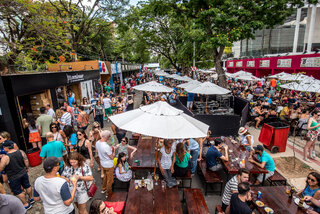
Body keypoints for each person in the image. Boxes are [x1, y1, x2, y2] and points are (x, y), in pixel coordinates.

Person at [0, 141, 33, 210]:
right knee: (27, 186)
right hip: (23, 173)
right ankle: (31, 198)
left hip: (13, 177)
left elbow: (1, 168)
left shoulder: (5, 158)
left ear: (6, 148)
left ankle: (26, 204)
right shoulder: (20, 152)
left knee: (18, 191)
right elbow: (26, 161)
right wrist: (26, 168)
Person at [96, 130, 115, 198]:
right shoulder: (106, 146)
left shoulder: (97, 142)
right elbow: (112, 157)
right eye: (109, 137)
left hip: (103, 163)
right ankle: (108, 193)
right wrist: (113, 151)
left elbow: (98, 151)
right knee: (110, 180)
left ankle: (103, 188)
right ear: (107, 137)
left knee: (106, 177)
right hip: (109, 164)